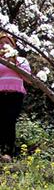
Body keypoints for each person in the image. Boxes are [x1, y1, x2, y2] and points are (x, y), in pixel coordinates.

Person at [0, 32, 31, 162]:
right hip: (0, 93)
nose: (3, 45)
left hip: (15, 95)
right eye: (1, 43)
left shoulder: (21, 60)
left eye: (7, 42)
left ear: (13, 45)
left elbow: (28, 78)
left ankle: (8, 153)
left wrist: (14, 62)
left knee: (10, 121)